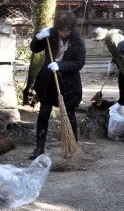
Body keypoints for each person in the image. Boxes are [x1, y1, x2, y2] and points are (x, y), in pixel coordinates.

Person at [29, 10, 86, 159]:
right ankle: (39, 148)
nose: (63, 33)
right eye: (61, 30)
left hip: (68, 84)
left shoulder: (77, 40)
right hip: (48, 82)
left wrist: (61, 65)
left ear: (72, 28)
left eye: (66, 31)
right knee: (43, 114)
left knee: (70, 115)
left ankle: (72, 146)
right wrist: (38, 37)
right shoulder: (51, 35)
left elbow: (79, 63)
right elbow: (35, 49)